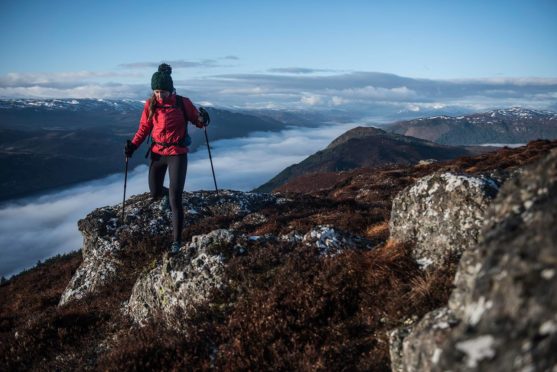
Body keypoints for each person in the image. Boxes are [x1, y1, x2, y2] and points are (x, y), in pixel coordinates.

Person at [124, 63, 208, 254]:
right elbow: (144, 128)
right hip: (157, 153)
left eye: (162, 91)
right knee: (154, 192)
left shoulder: (182, 102)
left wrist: (203, 120)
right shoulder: (150, 104)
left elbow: (198, 121)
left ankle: (176, 241)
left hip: (177, 154)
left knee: (175, 199)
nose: (159, 95)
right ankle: (168, 195)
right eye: (156, 91)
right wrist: (133, 147)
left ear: (170, 90)